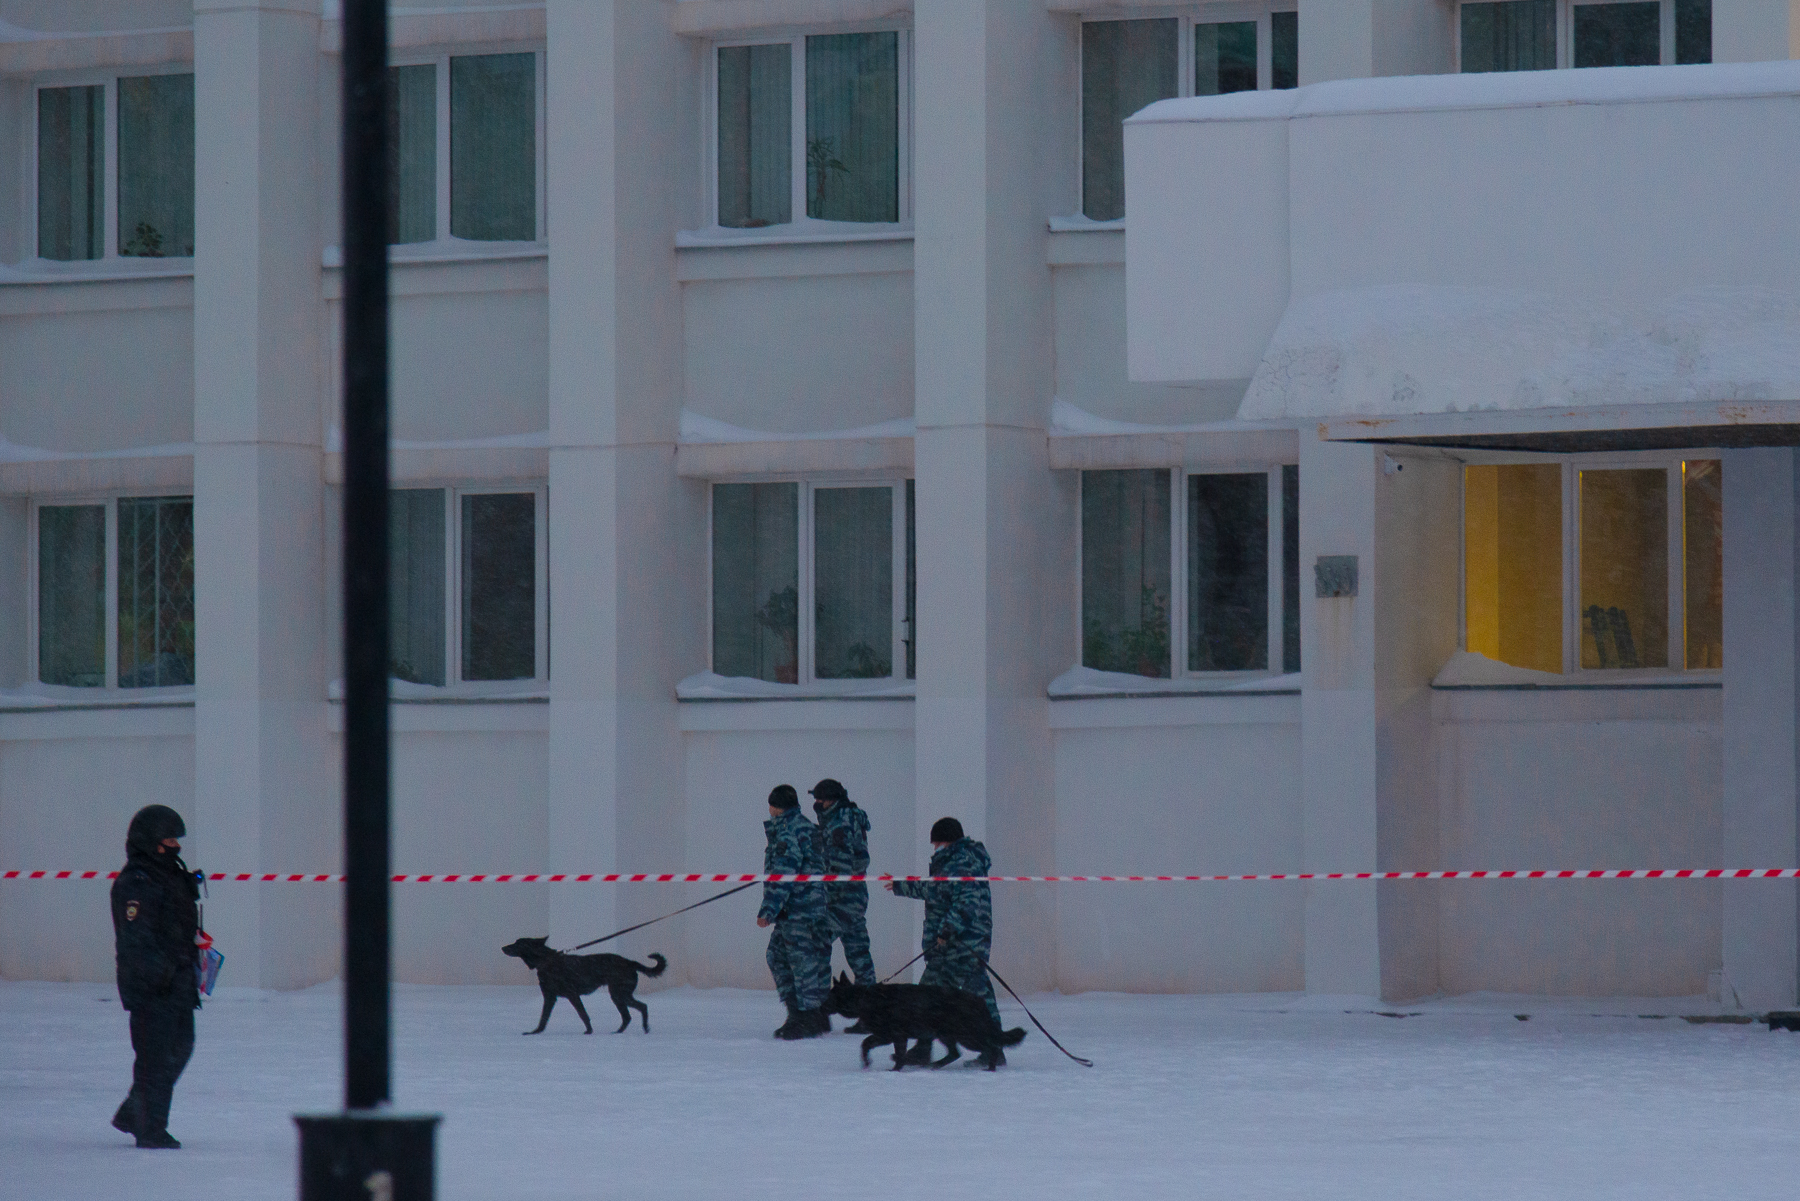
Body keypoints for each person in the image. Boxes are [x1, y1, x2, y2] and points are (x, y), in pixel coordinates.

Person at [109, 804, 201, 1149]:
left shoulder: (169, 874)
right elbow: (136, 938)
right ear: (150, 841)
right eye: (168, 840)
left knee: (181, 1046)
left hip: (178, 980)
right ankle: (150, 1129)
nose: (175, 846)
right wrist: (162, 972)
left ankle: (134, 1113)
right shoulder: (137, 882)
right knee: (154, 1059)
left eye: (176, 840)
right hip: (153, 985)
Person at [887, 817, 1002, 1063]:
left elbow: (966, 902)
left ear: (947, 841)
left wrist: (947, 930)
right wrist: (899, 886)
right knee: (935, 995)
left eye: (937, 843)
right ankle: (925, 1047)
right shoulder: (952, 861)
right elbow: (936, 890)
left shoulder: (964, 862)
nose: (935, 848)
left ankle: (992, 1048)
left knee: (970, 996)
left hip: (963, 944)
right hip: (952, 945)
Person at [757, 785, 832, 1039]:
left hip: (797, 909)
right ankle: (802, 1014)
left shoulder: (788, 830)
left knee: (801, 963)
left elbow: (784, 874)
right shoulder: (805, 826)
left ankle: (807, 1018)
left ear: (776, 806)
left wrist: (768, 910)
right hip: (808, 907)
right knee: (780, 956)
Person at [809, 779, 876, 992]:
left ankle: (819, 1000)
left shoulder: (840, 822)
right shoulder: (843, 817)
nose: (817, 803)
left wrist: (822, 893)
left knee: (817, 940)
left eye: (820, 799)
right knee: (859, 954)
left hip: (843, 899)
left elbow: (840, 866)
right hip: (854, 898)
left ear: (832, 800)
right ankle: (870, 1004)